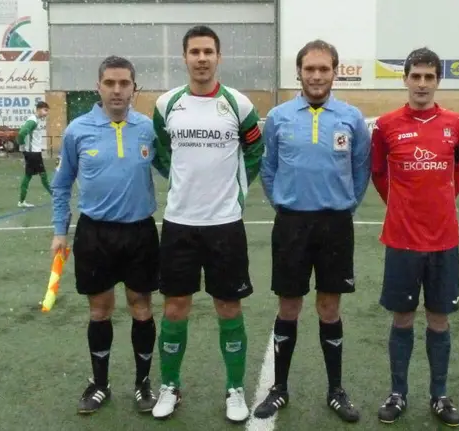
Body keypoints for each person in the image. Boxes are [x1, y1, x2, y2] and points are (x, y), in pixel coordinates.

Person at [149, 25, 264, 423]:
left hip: (225, 225)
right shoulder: (167, 104)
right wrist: (184, 184)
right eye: (195, 51)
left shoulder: (238, 104)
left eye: (208, 52)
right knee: (175, 307)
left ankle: (234, 390)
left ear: (219, 57)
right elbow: (162, 154)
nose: (201, 58)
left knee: (228, 307)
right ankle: (169, 386)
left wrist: (237, 192)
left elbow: (254, 151)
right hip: (179, 224)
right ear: (184, 57)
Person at [253, 39, 371, 423]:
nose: (316, 76)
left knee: (329, 307)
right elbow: (268, 168)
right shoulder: (280, 117)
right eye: (310, 69)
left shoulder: (351, 118)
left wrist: (344, 205)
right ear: (299, 73)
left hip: (335, 224)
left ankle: (335, 390)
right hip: (291, 224)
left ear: (335, 72)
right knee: (289, 305)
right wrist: (283, 202)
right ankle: (280, 388)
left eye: (324, 69)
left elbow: (360, 169)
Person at [51, 55, 166, 415]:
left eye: (124, 84)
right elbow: (61, 184)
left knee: (141, 307)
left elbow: (175, 170)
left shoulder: (148, 129)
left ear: (134, 87)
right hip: (95, 234)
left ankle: (143, 383)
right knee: (100, 311)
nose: (117, 90)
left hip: (140, 233)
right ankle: (100, 384)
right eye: (110, 83)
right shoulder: (77, 130)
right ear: (98, 86)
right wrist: (59, 232)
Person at [370, 47, 459, 427]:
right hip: (401, 240)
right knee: (403, 318)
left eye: (430, 77)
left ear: (437, 81)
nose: (422, 83)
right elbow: (379, 173)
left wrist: (439, 203)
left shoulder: (455, 124)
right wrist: (402, 207)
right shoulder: (386, 125)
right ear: (406, 79)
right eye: (416, 76)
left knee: (439, 319)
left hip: (444, 240)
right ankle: (398, 393)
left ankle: (439, 395)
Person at [17, 101, 51, 207]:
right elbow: (22, 133)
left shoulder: (36, 120)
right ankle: (56, 197)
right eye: (45, 110)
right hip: (33, 154)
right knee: (43, 175)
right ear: (38, 109)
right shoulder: (33, 121)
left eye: (47, 111)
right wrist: (22, 146)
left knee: (28, 176)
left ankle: (21, 201)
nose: (46, 113)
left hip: (33, 153)